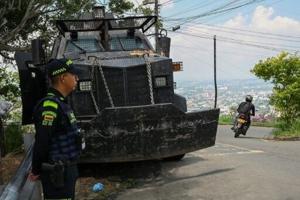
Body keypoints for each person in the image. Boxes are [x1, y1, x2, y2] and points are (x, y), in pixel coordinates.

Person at [28, 58, 83, 200]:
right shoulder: (50, 106)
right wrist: (35, 170)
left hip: (67, 171)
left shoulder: (62, 104)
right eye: (73, 75)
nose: (77, 78)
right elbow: (42, 141)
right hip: (56, 174)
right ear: (63, 77)